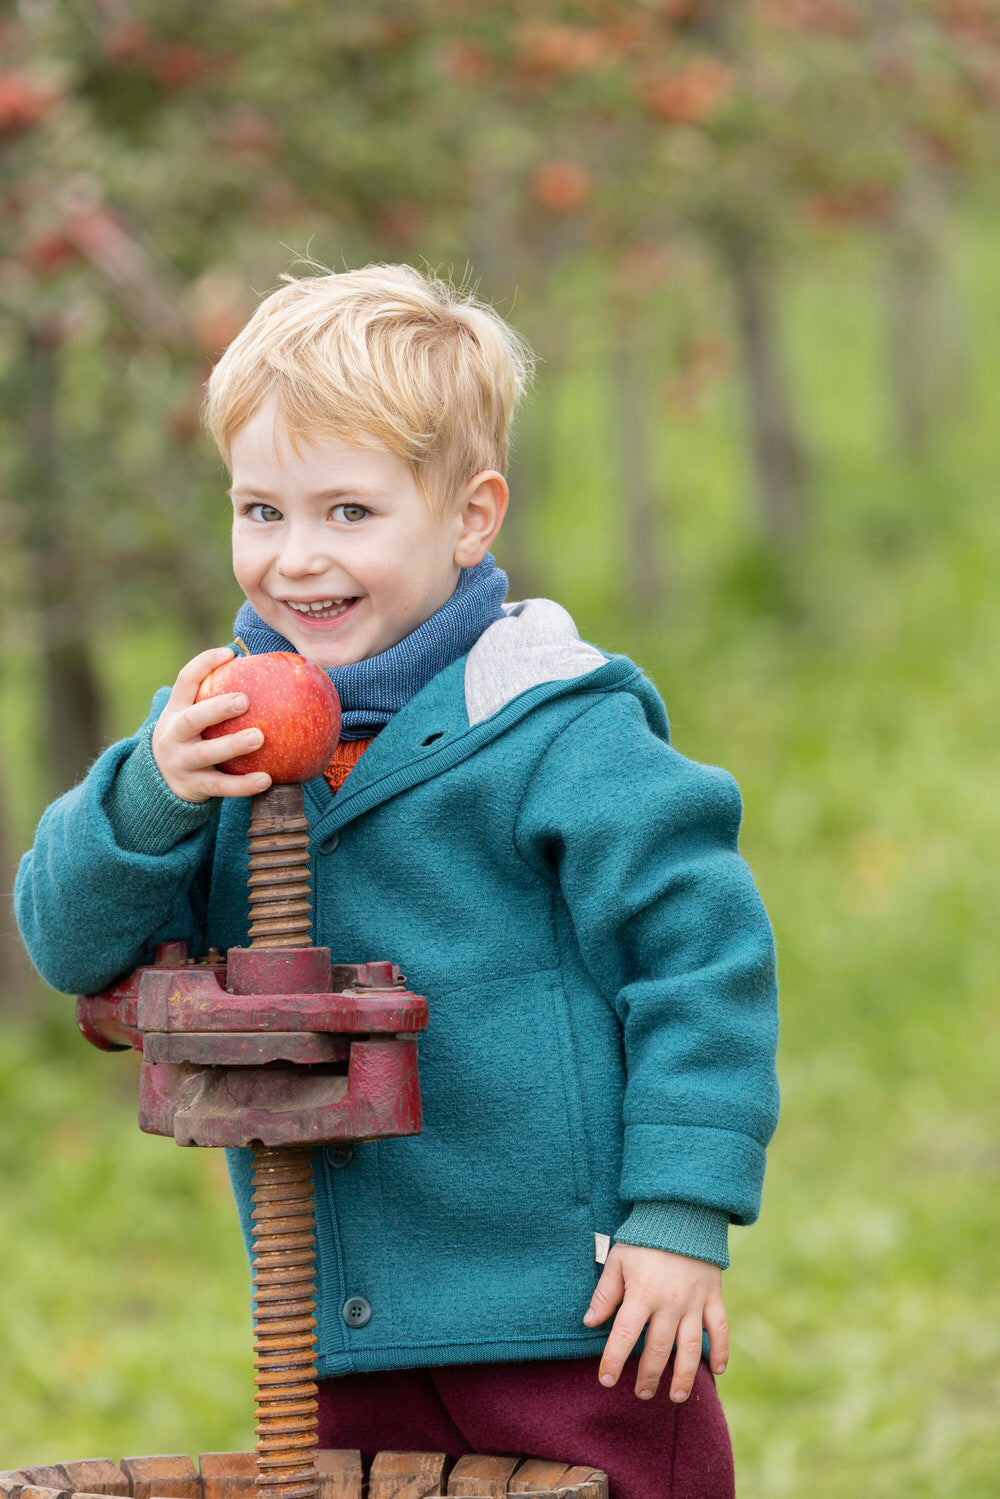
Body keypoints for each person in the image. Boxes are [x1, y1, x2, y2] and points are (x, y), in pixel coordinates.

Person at [16, 264, 779, 1499]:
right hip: (337, 1313)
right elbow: (64, 942)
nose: (296, 557)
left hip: (575, 1308)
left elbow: (700, 965)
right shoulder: (208, 734)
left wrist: (678, 1215)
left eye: (348, 512)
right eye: (260, 510)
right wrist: (149, 789)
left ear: (471, 517)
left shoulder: (554, 731)